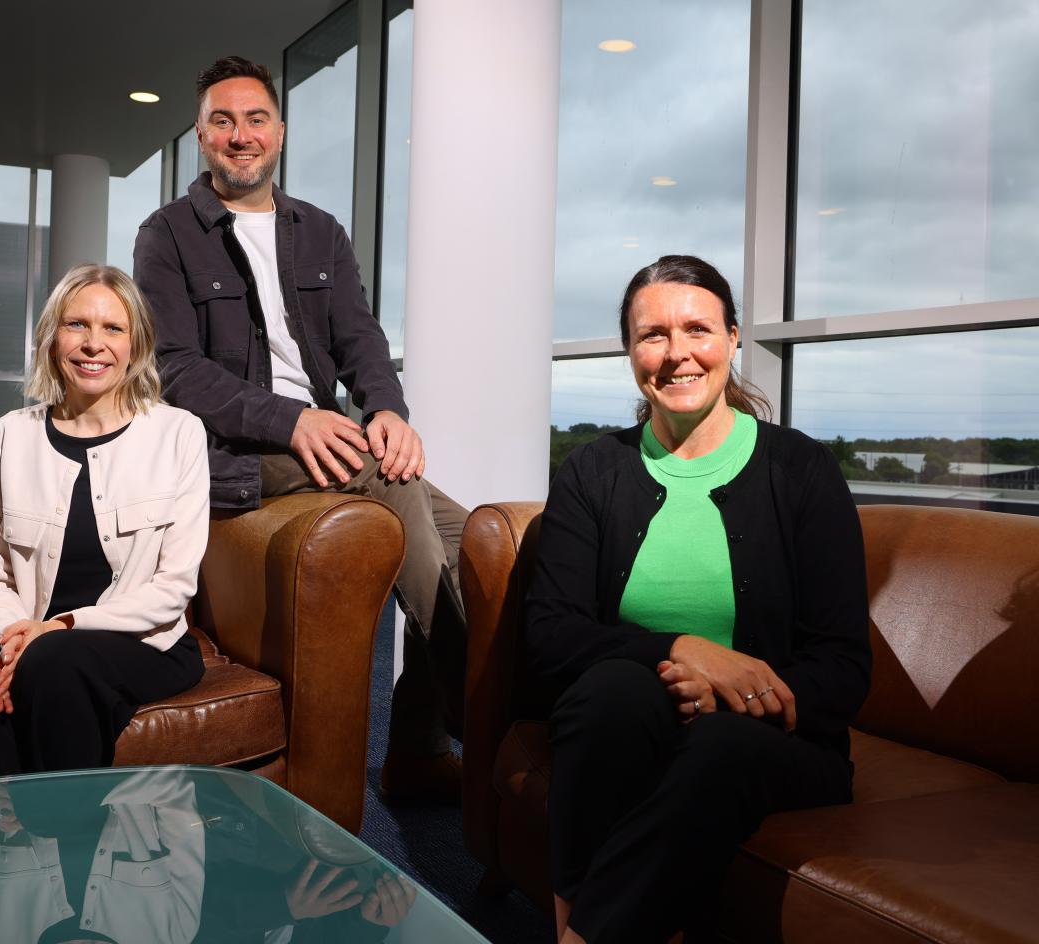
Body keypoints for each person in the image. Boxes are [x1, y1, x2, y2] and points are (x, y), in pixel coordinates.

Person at [134, 56, 467, 802]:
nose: (241, 135)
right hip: (235, 453)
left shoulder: (319, 230)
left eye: (256, 119)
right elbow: (177, 371)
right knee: (387, 479)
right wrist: (294, 420)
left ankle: (417, 747)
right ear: (201, 135)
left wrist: (387, 411)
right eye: (223, 120)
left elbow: (360, 338)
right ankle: (492, 717)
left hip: (328, 438)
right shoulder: (166, 235)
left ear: (279, 132)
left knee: (468, 539)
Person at [525, 255, 872, 943]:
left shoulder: (801, 470)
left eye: (697, 329)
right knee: (608, 701)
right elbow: (550, 634)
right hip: (636, 713)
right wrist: (686, 653)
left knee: (717, 745)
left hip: (775, 741)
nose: (676, 353)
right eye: (652, 334)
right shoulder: (594, 472)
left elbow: (843, 667)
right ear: (630, 352)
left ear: (734, 338)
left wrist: (732, 696)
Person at [0, 264, 210, 782]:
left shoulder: (179, 433)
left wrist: (58, 628)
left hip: (144, 643)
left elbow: (174, 587)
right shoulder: (9, 437)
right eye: (77, 325)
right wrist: (16, 640)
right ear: (53, 338)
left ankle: (65, 844)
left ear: (136, 344)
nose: (93, 344)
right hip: (32, 636)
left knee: (59, 663)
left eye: (113, 329)